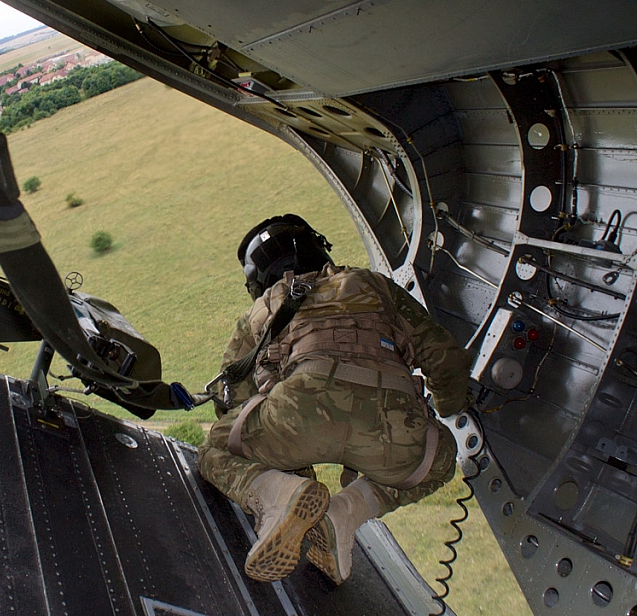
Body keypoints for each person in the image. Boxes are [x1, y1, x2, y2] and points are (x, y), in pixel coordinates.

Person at [198, 214, 473, 585]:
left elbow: (232, 396)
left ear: (257, 278)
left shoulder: (261, 309)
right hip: (390, 430)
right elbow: (444, 356)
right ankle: (343, 513)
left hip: (298, 418)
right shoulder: (373, 285)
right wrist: (447, 405)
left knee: (216, 448)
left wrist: (287, 464)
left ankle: (279, 495)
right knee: (437, 458)